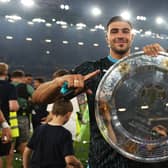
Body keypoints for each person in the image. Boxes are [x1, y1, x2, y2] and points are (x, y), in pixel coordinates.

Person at [32, 16, 166, 168]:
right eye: (114, 31)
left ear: (132, 37)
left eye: (125, 31)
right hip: (104, 159)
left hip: (148, 157)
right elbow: (38, 98)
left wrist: (163, 61)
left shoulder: (149, 66)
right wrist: (58, 82)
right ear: (107, 38)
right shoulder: (92, 70)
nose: (120, 35)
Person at [23, 98, 83, 168]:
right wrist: (79, 164)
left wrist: (26, 166)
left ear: (53, 112)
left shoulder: (39, 129)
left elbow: (27, 151)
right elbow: (69, 159)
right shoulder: (65, 134)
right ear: (68, 114)